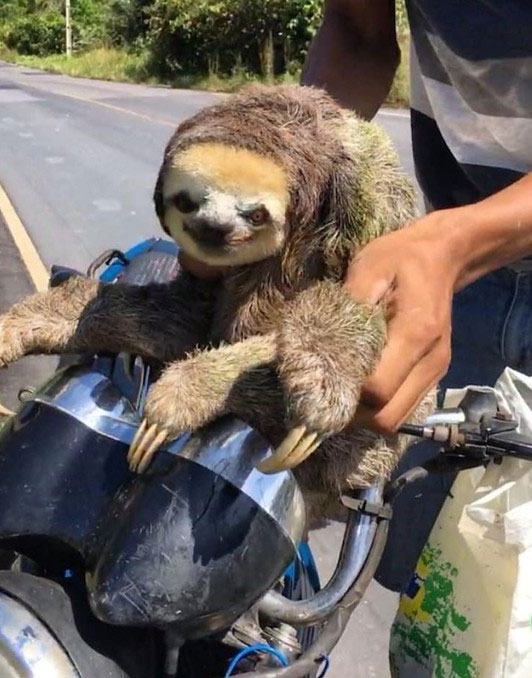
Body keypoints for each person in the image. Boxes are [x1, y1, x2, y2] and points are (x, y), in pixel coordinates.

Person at [299, 0, 532, 670]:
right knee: (453, 596)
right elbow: (356, 30)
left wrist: (455, 244)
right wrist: (293, 170)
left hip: (458, 246)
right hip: (466, 269)